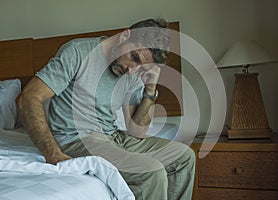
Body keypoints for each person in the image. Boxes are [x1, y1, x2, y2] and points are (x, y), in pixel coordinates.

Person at [17, 18, 195, 200]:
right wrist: (53, 154)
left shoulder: (134, 72)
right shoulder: (79, 52)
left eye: (141, 67)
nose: (132, 70)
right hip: (78, 139)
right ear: (125, 36)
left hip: (113, 136)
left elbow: (137, 131)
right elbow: (29, 98)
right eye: (134, 58)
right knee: (152, 172)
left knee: (184, 157)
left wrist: (150, 90)